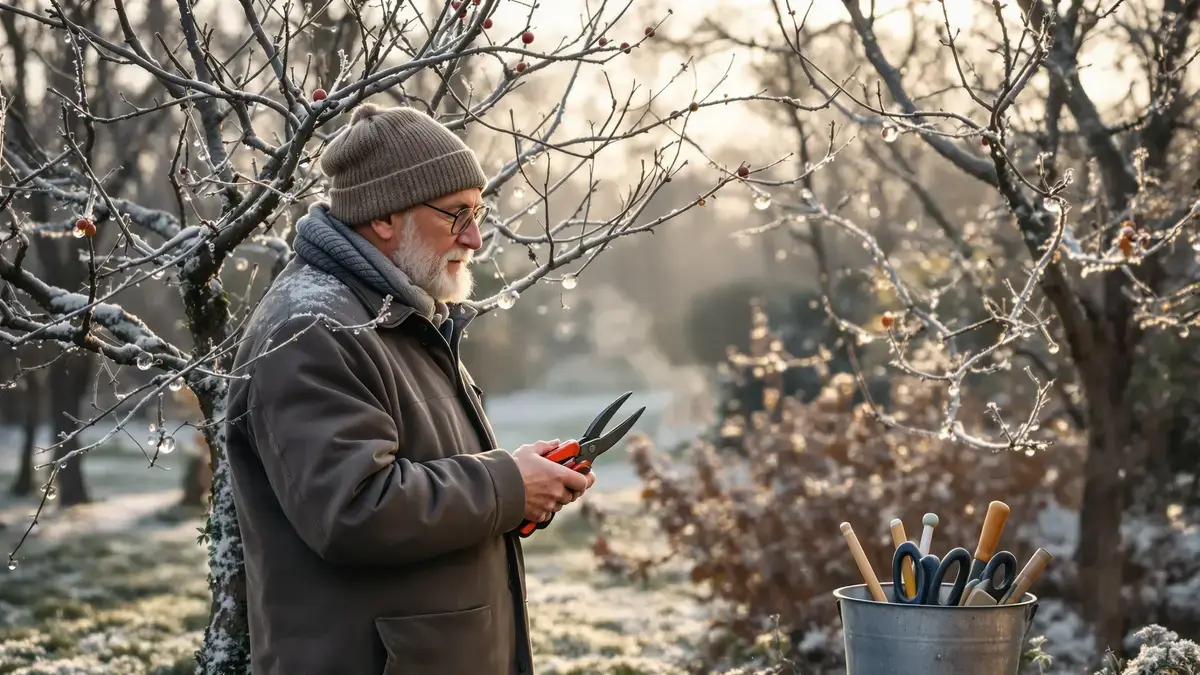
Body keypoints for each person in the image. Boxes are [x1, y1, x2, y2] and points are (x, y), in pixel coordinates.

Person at [223, 101, 595, 675]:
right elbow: (353, 510)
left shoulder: (395, 317)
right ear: (383, 217)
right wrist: (507, 484)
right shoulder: (314, 330)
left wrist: (526, 485)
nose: (474, 237)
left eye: (479, 211)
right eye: (456, 214)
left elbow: (427, 473)